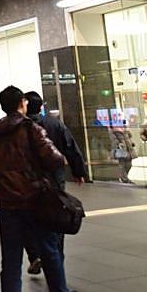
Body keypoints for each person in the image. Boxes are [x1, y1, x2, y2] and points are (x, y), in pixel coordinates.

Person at [0, 86, 83, 292]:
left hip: (7, 205)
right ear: (22, 103)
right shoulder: (30, 128)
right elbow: (55, 159)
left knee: (11, 261)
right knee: (49, 250)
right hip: (34, 201)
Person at [23, 91, 87, 273]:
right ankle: (56, 258)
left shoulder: (21, 126)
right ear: (41, 106)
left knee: (30, 219)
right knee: (55, 215)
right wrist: (78, 171)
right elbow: (70, 147)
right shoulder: (54, 124)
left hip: (29, 182)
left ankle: (35, 255)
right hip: (54, 180)